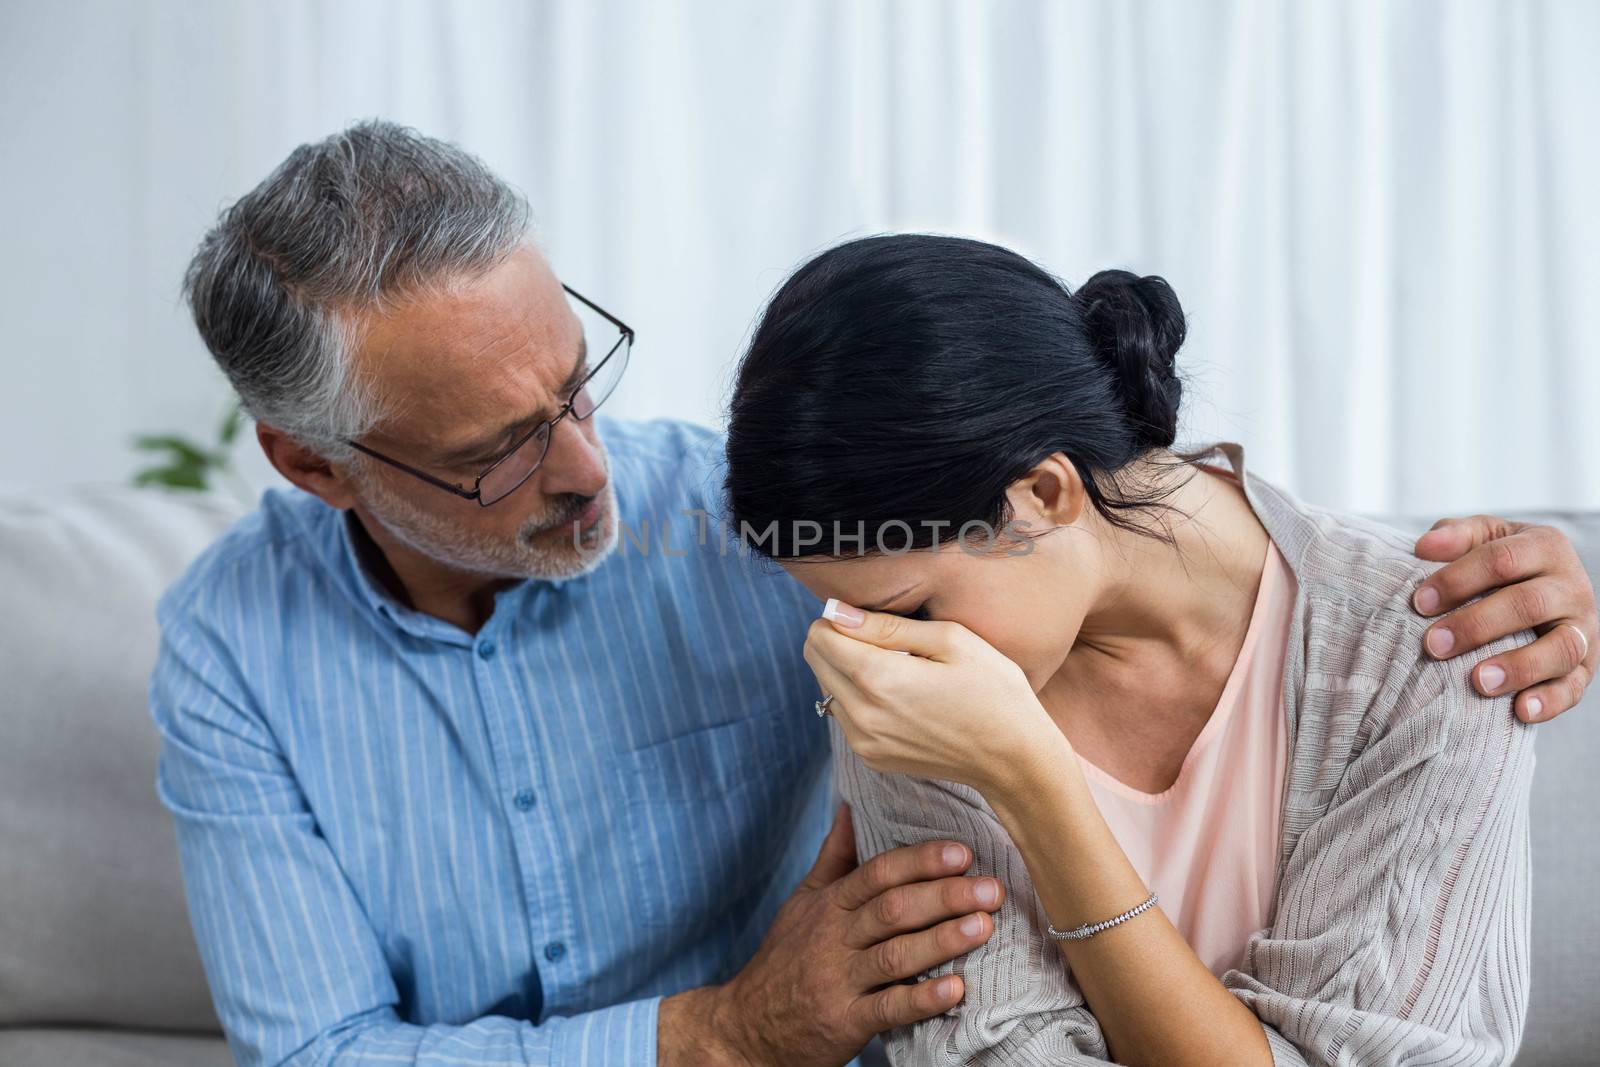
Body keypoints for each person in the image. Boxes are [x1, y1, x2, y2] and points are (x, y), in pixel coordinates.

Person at [153, 121, 1594, 1067]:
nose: (588, 468)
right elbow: (317, 1050)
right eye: (497, 452)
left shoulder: (777, 524)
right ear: (314, 465)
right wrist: (714, 1032)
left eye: (579, 381)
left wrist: (1523, 576)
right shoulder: (230, 651)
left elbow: (1090, 493)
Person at [720, 233, 1598, 1066]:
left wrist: (1033, 784)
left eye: (907, 606)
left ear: (1044, 492)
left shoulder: (1434, 648)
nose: (872, 658)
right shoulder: (916, 691)